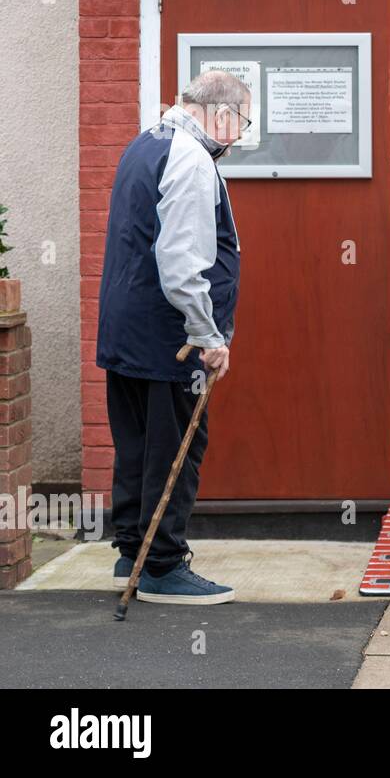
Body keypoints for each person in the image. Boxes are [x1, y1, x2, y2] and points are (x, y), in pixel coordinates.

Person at [97, 70, 249, 605]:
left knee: (137, 443)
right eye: (241, 124)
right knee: (175, 446)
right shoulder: (188, 157)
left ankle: (129, 553)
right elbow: (182, 262)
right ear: (223, 113)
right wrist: (208, 335)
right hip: (169, 337)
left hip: (128, 328)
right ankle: (161, 566)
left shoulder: (146, 144)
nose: (236, 138)